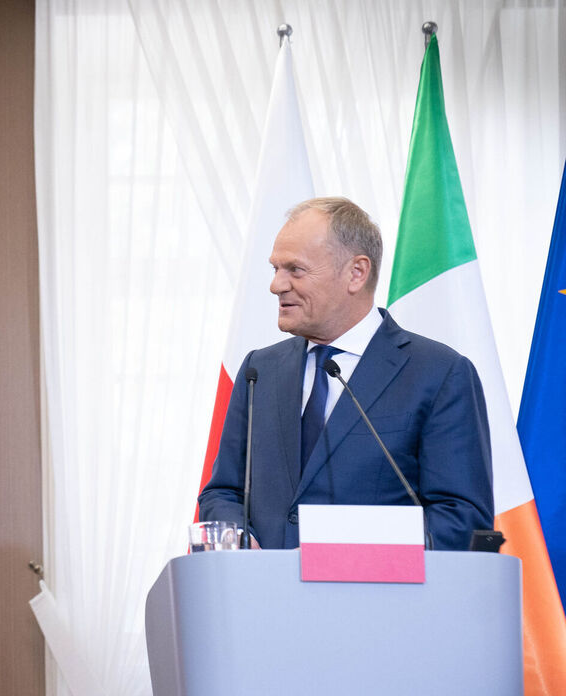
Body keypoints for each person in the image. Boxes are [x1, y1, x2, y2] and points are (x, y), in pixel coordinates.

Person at [199, 197, 492, 550]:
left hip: (377, 601)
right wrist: (239, 540)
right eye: (275, 268)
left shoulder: (439, 374)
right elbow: (224, 491)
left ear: (356, 273)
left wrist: (345, 555)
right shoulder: (259, 370)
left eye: (295, 269)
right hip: (266, 598)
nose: (276, 285)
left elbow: (460, 517)